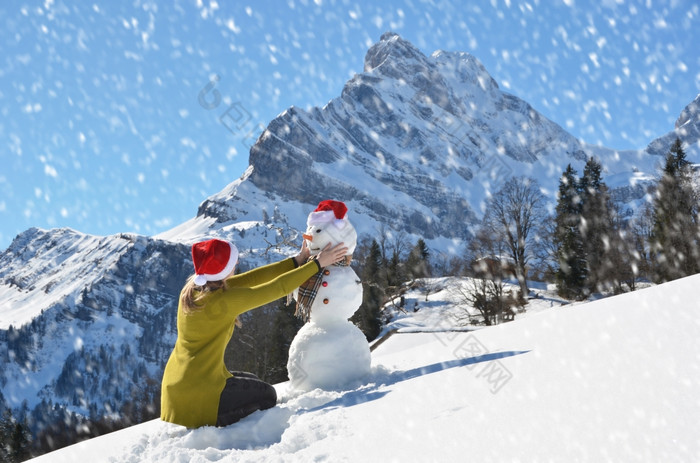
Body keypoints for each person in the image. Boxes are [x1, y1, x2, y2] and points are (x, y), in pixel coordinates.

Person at [160, 237, 348, 428]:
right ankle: (218, 425)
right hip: (199, 395)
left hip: (179, 386)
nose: (238, 264)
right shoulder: (223, 301)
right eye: (233, 262)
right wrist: (317, 264)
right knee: (267, 395)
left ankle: (209, 413)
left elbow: (252, 278)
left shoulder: (195, 290)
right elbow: (278, 288)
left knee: (252, 380)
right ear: (222, 269)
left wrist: (297, 261)